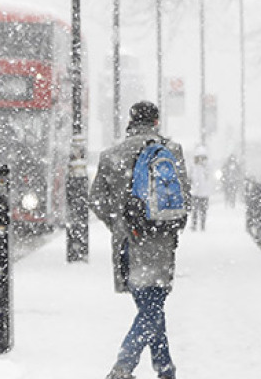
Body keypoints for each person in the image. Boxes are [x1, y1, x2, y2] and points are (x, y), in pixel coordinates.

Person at [90, 100, 187, 379]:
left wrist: (118, 223)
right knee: (153, 305)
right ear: (156, 122)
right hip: (162, 243)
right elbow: (185, 198)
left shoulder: (110, 155)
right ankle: (140, 367)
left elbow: (96, 199)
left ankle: (152, 367)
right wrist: (166, 225)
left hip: (127, 242)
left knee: (148, 305)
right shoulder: (171, 151)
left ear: (130, 122)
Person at [188, 147, 211, 231]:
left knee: (203, 211)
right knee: (194, 211)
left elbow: (208, 178)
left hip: (204, 193)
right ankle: (194, 225)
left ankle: (202, 225)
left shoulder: (207, 168)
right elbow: (190, 178)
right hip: (195, 192)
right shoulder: (193, 167)